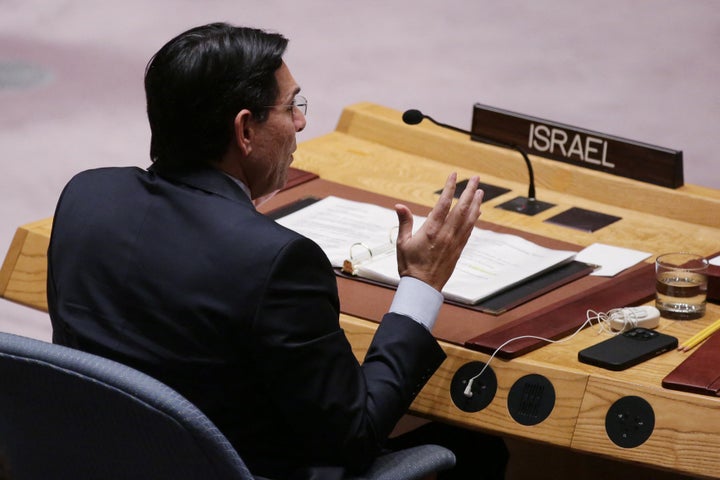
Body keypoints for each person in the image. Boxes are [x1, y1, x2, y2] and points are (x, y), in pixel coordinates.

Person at [47, 22, 507, 479]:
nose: (301, 122)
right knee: (478, 450)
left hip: (101, 460)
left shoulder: (86, 197)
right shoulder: (276, 262)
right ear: (245, 131)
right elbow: (353, 435)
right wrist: (419, 285)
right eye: (291, 107)